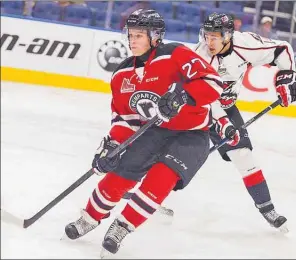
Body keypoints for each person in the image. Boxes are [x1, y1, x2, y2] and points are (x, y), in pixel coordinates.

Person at [64, 9, 227, 256]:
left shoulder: (175, 53)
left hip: (192, 134)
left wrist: (183, 95)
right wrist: (112, 146)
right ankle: (90, 216)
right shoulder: (121, 74)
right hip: (154, 130)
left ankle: (122, 226)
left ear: (155, 36)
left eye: (139, 35)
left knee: (162, 177)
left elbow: (213, 83)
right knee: (122, 169)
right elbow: (125, 118)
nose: (133, 41)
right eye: (131, 35)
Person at [195, 13, 296, 232]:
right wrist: (222, 122)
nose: (209, 42)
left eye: (215, 37)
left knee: (243, 155)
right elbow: (202, 96)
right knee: (176, 153)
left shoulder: (247, 45)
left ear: (228, 35)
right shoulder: (200, 57)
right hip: (196, 107)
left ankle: (267, 208)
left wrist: (287, 77)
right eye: (207, 36)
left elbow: (282, 49)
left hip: (225, 106)